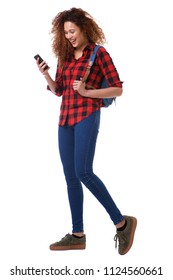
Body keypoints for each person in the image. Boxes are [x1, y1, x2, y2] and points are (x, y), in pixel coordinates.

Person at [36, 7, 137, 255]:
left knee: (83, 171)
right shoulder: (65, 55)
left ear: (83, 28)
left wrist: (87, 92)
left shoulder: (98, 54)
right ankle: (77, 234)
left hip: (87, 116)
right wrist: (46, 75)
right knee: (70, 176)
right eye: (66, 32)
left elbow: (117, 89)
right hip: (65, 119)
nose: (69, 36)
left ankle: (122, 223)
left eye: (72, 31)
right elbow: (59, 90)